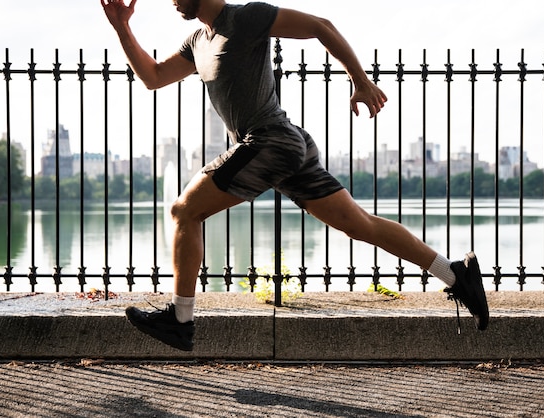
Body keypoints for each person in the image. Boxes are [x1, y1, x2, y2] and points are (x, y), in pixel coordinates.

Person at [101, 0, 489, 351]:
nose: (170, 0)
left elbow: (322, 25)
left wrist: (360, 80)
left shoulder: (246, 18)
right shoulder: (196, 42)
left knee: (185, 210)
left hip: (269, 141)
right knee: (359, 224)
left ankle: (180, 321)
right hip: (285, 146)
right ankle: (455, 274)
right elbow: (152, 76)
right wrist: (122, 27)